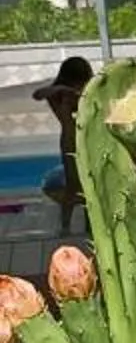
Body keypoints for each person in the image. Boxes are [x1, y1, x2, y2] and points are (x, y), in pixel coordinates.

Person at [38, 55, 90, 231]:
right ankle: (65, 226)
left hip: (87, 139)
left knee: (88, 185)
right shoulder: (59, 95)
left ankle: (89, 226)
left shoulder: (86, 93)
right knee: (72, 184)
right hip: (70, 140)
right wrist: (64, 89)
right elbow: (38, 94)